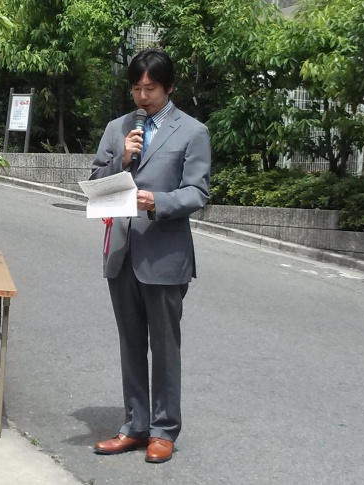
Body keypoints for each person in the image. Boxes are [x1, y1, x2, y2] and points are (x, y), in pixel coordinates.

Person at [90, 48, 211, 463]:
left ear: (169, 87)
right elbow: (96, 183)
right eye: (137, 89)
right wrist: (122, 159)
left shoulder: (193, 131)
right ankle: (134, 425)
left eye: (151, 89)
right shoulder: (117, 128)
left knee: (164, 346)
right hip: (121, 252)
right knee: (130, 344)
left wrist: (158, 201)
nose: (143, 96)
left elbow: (197, 192)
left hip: (165, 255)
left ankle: (163, 430)